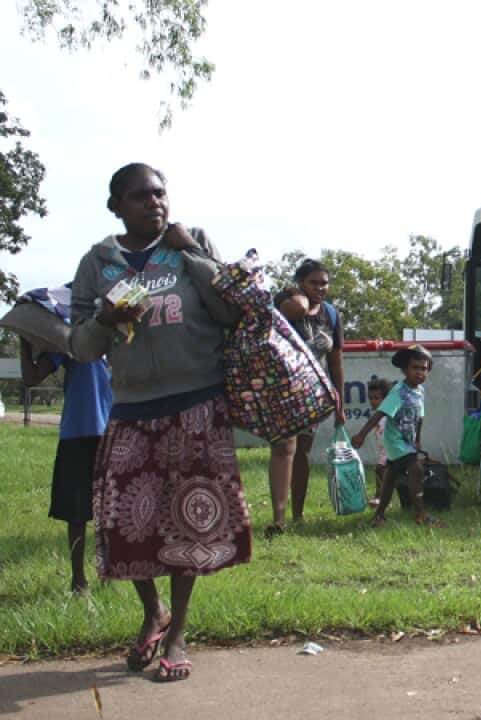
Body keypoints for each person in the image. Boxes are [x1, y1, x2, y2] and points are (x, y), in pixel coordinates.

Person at [70, 162, 251, 682]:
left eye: (161, 193)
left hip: (196, 403)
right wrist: (105, 319)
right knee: (127, 524)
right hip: (131, 408)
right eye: (141, 196)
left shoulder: (190, 243)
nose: (155, 203)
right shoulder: (97, 262)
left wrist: (191, 250)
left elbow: (229, 309)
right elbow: (79, 346)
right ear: (116, 206)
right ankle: (153, 610)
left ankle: (178, 633)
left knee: (188, 523)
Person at [19, 319, 112, 595]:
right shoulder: (69, 339)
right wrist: (26, 344)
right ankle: (78, 579)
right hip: (76, 432)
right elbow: (30, 378)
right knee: (76, 511)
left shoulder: (114, 337)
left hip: (110, 433)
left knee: (109, 510)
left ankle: (108, 573)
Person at [264, 260, 346, 536]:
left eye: (324, 283)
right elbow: (295, 309)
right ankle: (278, 518)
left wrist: (339, 400)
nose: (321, 288)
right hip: (282, 387)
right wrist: (299, 296)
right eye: (314, 282)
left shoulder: (331, 315)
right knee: (283, 449)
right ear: (300, 282)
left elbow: (336, 363)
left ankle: (297, 514)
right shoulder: (285, 302)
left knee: (303, 453)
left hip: (314, 392)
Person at [352, 345, 443, 528]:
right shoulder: (399, 391)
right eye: (414, 368)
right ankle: (420, 514)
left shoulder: (420, 391)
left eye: (423, 368)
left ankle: (379, 516)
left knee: (391, 476)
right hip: (395, 440)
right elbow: (380, 414)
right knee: (415, 469)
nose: (419, 373)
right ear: (404, 370)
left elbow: (420, 416)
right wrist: (361, 434)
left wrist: (417, 440)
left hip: (407, 441)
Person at [364, 377, 393, 509]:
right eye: (370, 398)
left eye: (376, 398)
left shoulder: (388, 416)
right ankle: (380, 497)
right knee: (380, 471)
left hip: (391, 451)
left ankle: (381, 498)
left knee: (382, 471)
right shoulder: (378, 416)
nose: (372, 401)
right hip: (384, 451)